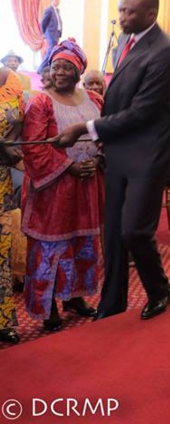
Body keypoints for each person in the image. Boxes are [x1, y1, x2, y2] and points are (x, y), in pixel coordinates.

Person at [54, 0, 170, 320]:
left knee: (134, 231)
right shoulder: (126, 39)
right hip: (119, 149)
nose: (122, 17)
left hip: (147, 155)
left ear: (151, 14)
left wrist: (87, 128)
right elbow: (119, 96)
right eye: (121, 9)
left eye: (130, 12)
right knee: (112, 236)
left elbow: (142, 112)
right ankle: (112, 305)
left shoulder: (165, 53)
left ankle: (159, 289)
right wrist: (103, 136)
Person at [21, 40, 102, 332]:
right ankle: (49, 308)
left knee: (82, 244)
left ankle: (75, 297)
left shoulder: (94, 100)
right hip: (53, 189)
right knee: (50, 247)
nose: (60, 73)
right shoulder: (41, 102)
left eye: (67, 68)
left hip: (87, 186)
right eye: (56, 67)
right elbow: (34, 147)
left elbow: (106, 133)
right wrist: (70, 166)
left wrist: (98, 159)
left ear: (78, 72)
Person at [0, 69, 24, 344]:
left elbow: (19, 119)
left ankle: (1, 320)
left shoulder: (11, 79)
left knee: (1, 250)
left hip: (1, 178)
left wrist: (10, 143)